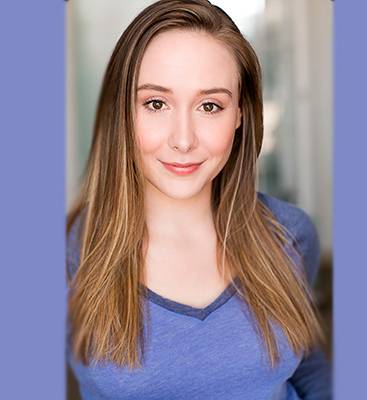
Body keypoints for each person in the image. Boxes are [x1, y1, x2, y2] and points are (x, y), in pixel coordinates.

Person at [66, 1, 332, 399]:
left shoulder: (289, 233)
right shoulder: (72, 251)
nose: (183, 139)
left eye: (210, 106)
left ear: (240, 114)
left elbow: (308, 366)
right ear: (123, 111)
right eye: (156, 103)